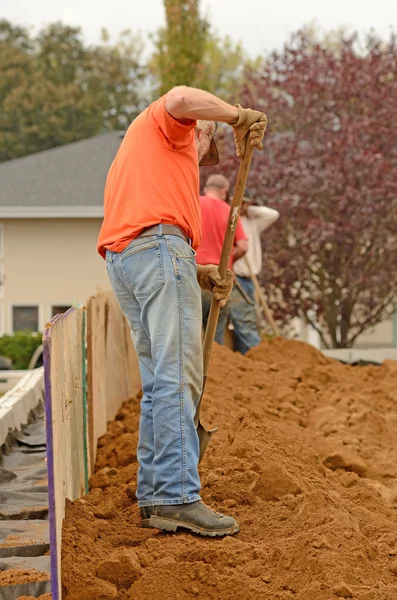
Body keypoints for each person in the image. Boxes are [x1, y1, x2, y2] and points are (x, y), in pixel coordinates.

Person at [97, 86, 267, 536]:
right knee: (176, 376)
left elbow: (147, 236)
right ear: (199, 131)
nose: (198, 160)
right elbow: (179, 98)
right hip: (157, 251)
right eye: (205, 150)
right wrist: (237, 116)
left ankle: (156, 494)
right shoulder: (170, 124)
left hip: (129, 258)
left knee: (158, 382)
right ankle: (176, 494)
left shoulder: (137, 157)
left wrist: (198, 269)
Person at [196, 174, 248, 344]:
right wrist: (229, 260)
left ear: (206, 189)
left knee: (190, 337)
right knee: (214, 340)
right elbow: (243, 246)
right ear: (224, 191)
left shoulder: (194, 203)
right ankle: (213, 369)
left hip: (194, 276)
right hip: (219, 280)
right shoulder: (230, 210)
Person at [229, 190, 279, 355]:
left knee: (251, 321)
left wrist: (251, 210)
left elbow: (273, 214)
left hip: (251, 279)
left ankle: (245, 358)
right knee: (245, 322)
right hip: (236, 278)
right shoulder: (229, 220)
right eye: (240, 202)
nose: (242, 205)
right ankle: (256, 357)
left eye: (246, 203)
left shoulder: (253, 223)